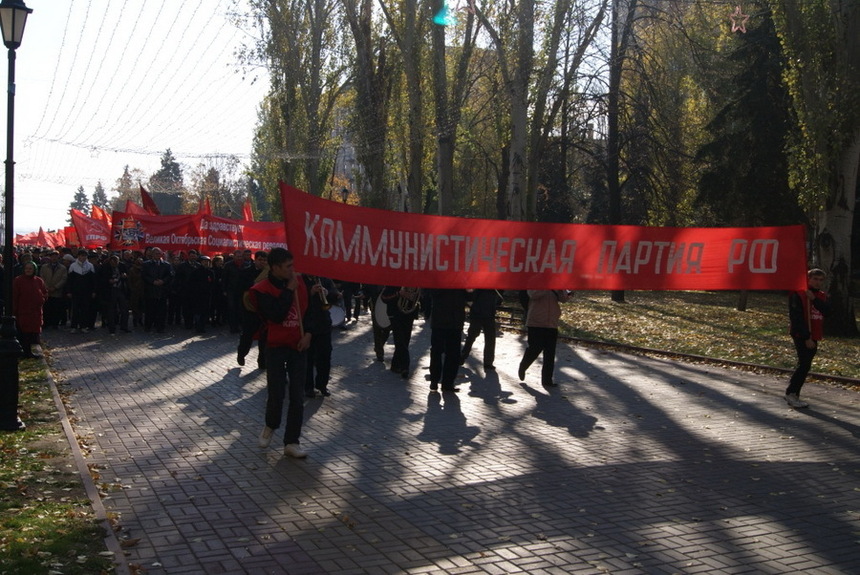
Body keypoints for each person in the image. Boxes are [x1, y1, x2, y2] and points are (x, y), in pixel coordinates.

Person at [250, 248, 312, 458]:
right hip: (275, 347)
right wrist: (288, 290)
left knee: (297, 394)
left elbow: (310, 311)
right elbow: (275, 315)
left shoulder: (301, 283)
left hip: (298, 346)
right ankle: (271, 425)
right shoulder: (262, 289)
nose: (292, 270)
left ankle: (292, 441)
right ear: (275, 268)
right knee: (276, 392)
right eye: (288, 267)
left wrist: (309, 334)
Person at [785, 268, 830, 408]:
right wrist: (806, 337)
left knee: (806, 364)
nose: (818, 282)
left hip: (814, 333)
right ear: (808, 279)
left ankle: (794, 393)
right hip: (802, 334)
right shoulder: (798, 294)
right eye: (815, 279)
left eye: (821, 280)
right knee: (804, 364)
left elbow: (827, 311)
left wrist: (814, 299)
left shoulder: (820, 296)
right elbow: (796, 317)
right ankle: (791, 393)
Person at [518, 289, 570, 388]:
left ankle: (547, 380)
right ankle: (524, 365)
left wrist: (562, 291)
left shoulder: (556, 283)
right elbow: (533, 294)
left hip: (552, 323)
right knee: (535, 348)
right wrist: (547, 286)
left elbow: (563, 299)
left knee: (550, 353)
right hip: (536, 322)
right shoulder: (535, 280)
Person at [303, 275, 337, 397]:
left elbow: (336, 296)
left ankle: (322, 385)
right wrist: (310, 292)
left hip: (324, 323)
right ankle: (308, 386)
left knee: (325, 356)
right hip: (307, 324)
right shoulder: (301, 279)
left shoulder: (325, 279)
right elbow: (297, 298)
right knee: (308, 357)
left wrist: (327, 292)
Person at [428, 289, 467, 392]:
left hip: (455, 322)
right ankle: (434, 381)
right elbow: (430, 291)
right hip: (440, 321)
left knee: (453, 354)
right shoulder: (439, 276)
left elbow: (468, 298)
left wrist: (470, 291)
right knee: (437, 351)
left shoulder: (462, 279)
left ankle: (448, 383)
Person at [237, 251, 268, 368]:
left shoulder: (270, 274)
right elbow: (241, 288)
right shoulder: (246, 272)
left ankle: (262, 361)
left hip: (264, 309)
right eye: (260, 260)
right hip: (249, 308)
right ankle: (242, 353)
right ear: (255, 260)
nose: (263, 262)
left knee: (264, 337)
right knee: (248, 335)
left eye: (265, 260)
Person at [381, 285, 420, 378]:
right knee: (400, 340)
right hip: (395, 314)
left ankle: (395, 364)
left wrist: (413, 296)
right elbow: (384, 298)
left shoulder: (413, 282)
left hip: (409, 314)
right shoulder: (393, 281)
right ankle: (405, 367)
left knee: (405, 340)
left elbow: (419, 295)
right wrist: (399, 294)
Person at [13, 261, 48, 358]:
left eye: (30, 269)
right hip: (23, 311)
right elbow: (15, 296)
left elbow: (44, 292)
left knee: (34, 331)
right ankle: (25, 351)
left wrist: (42, 298)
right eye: (26, 269)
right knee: (24, 332)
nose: (28, 270)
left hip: (36, 312)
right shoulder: (18, 280)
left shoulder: (39, 280)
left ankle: (30, 351)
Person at [460, 289, 502, 370]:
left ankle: (463, 356)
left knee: (473, 336)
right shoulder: (488, 286)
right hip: (483, 313)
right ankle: (487, 362)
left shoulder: (487, 285)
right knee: (485, 338)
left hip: (480, 313)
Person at [142, 248, 174, 333]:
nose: (158, 255)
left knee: (161, 311)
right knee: (150, 310)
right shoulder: (146, 264)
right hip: (151, 290)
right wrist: (152, 281)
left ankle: (160, 327)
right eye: (156, 253)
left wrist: (163, 281)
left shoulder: (166, 265)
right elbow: (144, 276)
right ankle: (148, 326)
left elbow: (170, 275)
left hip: (162, 291)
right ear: (152, 254)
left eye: (159, 253)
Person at [97, 254, 130, 334]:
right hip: (110, 290)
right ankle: (112, 327)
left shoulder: (122, 266)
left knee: (124, 309)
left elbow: (127, 275)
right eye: (113, 263)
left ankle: (124, 326)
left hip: (121, 289)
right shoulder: (105, 267)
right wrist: (109, 281)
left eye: (116, 262)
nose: (115, 264)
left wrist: (125, 276)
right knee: (111, 310)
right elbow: (100, 279)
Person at [66, 250, 97, 334]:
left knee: (85, 309)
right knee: (75, 309)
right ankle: (74, 326)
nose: (83, 257)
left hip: (87, 292)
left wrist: (94, 291)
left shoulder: (90, 266)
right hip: (75, 291)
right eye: (81, 256)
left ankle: (83, 326)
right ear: (78, 256)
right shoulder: (73, 266)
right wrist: (69, 291)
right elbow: (69, 280)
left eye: (85, 256)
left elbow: (93, 281)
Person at [39, 251, 68, 329]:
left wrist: (55, 287)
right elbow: (41, 277)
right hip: (46, 291)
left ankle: (55, 323)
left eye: (56, 256)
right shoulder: (44, 267)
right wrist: (46, 287)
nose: (54, 258)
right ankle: (46, 323)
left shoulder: (63, 268)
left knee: (56, 308)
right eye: (52, 256)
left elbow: (63, 279)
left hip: (57, 292)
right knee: (46, 308)